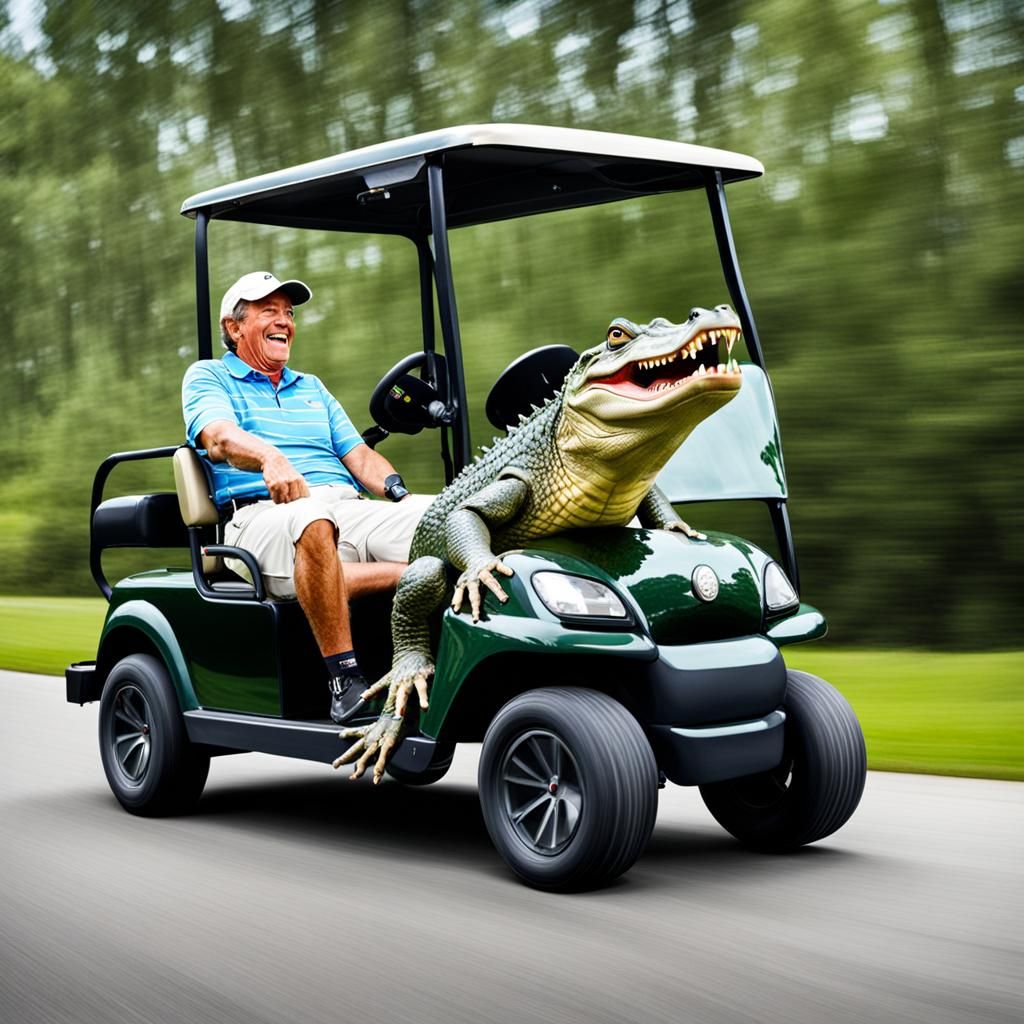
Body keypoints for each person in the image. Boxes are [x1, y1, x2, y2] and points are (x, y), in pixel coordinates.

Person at [182, 272, 431, 725]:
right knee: (312, 518)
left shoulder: (312, 387)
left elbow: (359, 456)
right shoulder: (208, 376)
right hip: (262, 515)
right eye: (269, 311)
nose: (285, 322)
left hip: (346, 508)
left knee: (442, 517)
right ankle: (345, 681)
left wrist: (400, 495)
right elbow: (217, 438)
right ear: (235, 327)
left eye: (289, 313)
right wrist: (268, 458)